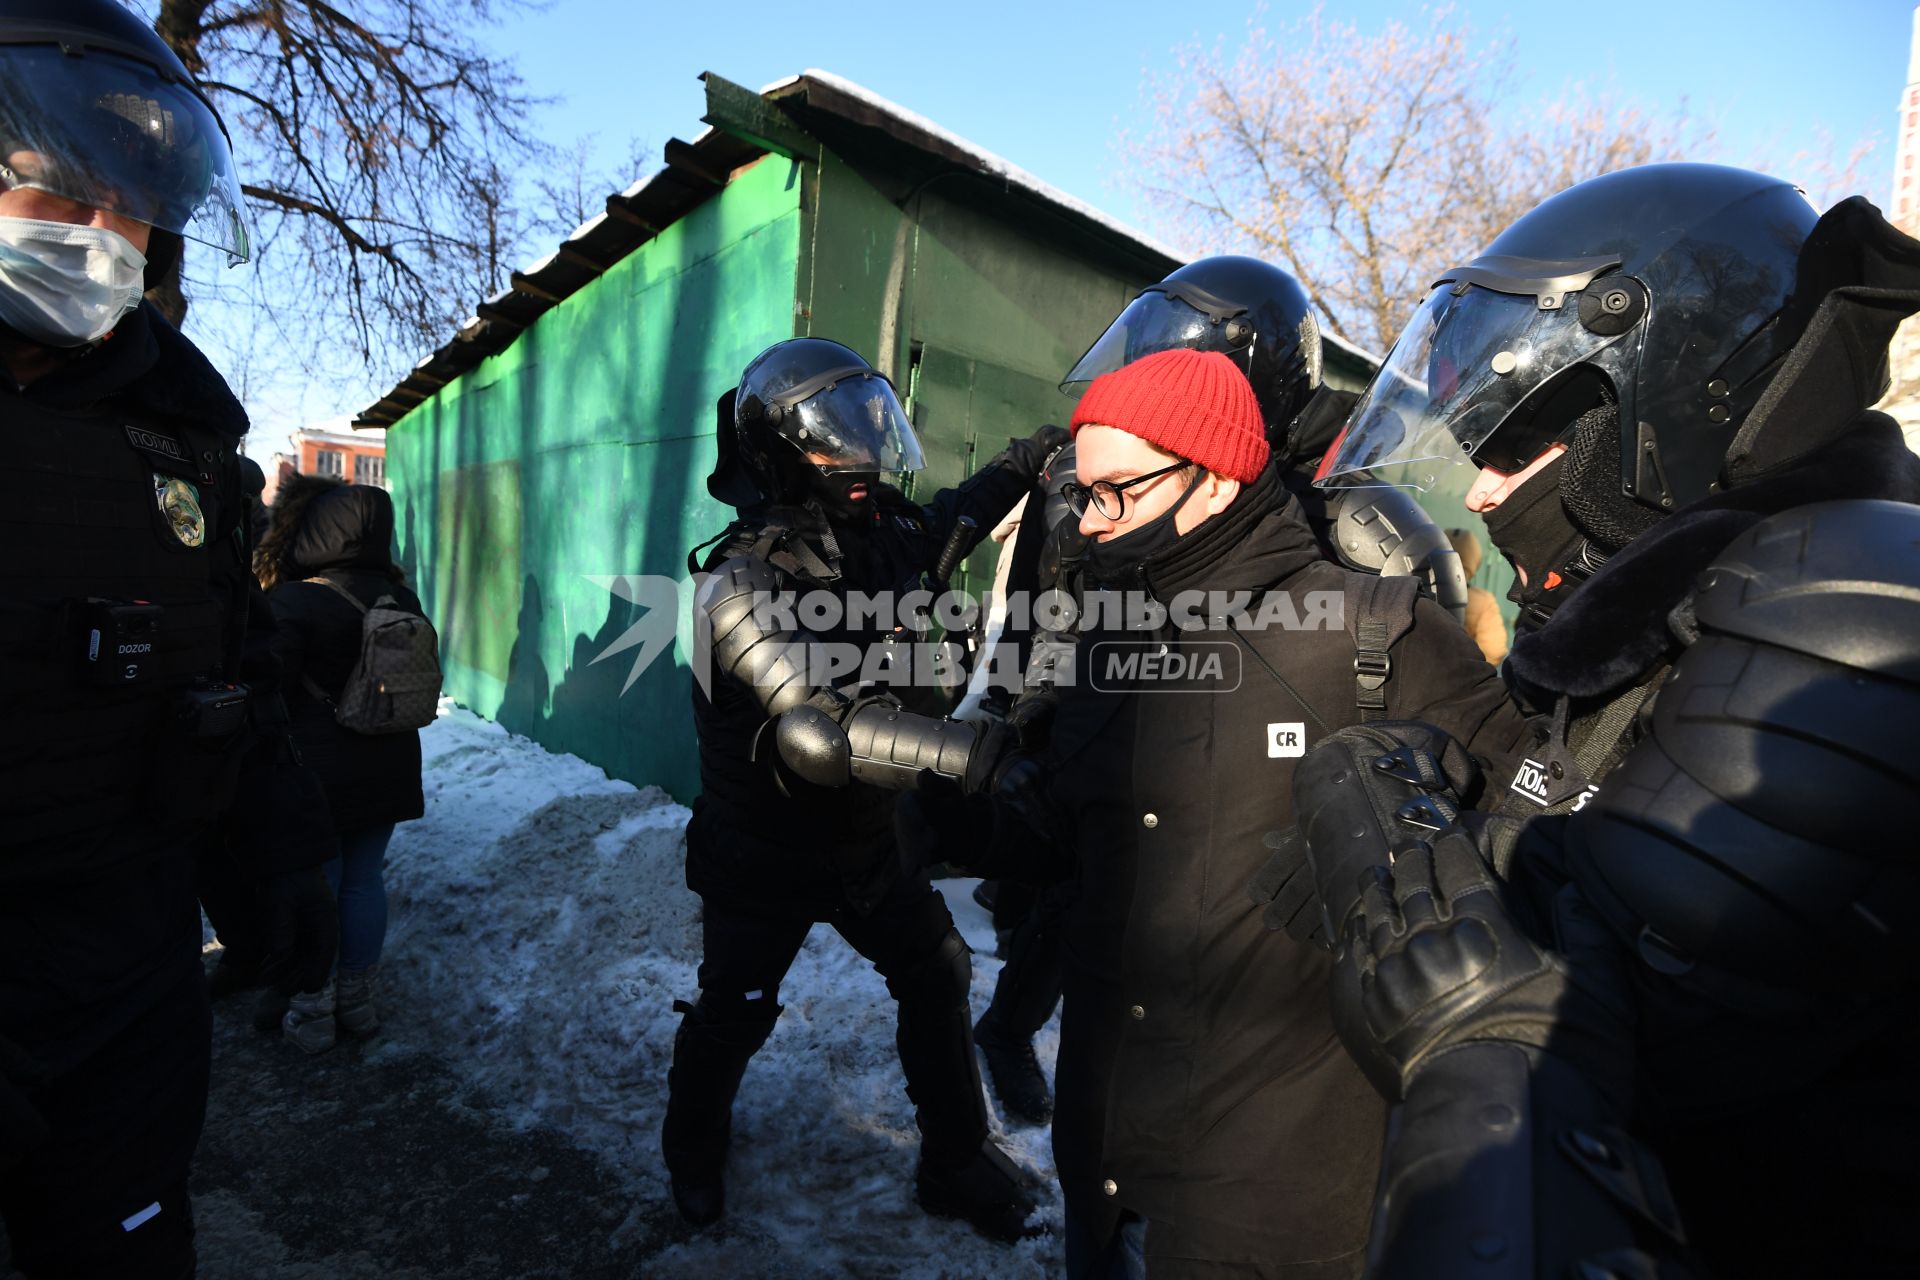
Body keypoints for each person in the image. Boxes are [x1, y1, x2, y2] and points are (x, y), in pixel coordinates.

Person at [1295, 163, 1920, 1277]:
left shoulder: (1846, 607)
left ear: (1669, 401)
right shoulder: (1659, 622)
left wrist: (1455, 916)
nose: (1480, 496)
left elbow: (1641, 1024)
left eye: (1509, 453)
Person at [918, 347, 1528, 1278]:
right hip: (1108, 1141)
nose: (1093, 524)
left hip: (1282, 1177)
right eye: (1085, 496)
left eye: (1120, 491)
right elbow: (1062, 844)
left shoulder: (1377, 632)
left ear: (1215, 475)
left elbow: (1542, 843)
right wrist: (955, 789)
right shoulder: (1104, 635)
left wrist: (1407, 843)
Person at [0, 3, 335, 1274]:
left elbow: (231, 675)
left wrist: (278, 860)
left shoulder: (181, 442)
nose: (106, 234)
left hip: (124, 986)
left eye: (133, 202)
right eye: (64, 188)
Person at [667, 336, 1066, 1241]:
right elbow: (820, 732)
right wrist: (980, 756)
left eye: (862, 429)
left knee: (936, 973)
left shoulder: (879, 532)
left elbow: (956, 517)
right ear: (777, 452)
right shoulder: (738, 583)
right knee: (736, 1009)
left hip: (866, 841)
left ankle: (954, 1160)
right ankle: (691, 1148)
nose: (856, 454)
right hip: (762, 849)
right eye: (828, 438)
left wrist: (1027, 459)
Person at [255, 474, 433, 1054]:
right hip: (387, 765)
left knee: (319, 888)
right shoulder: (399, 597)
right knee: (363, 883)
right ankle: (357, 1002)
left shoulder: (293, 599)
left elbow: (266, 687)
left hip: (315, 774)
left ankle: (311, 1008)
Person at [1443, 527, 1506, 665]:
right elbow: (1495, 651)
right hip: (1458, 677)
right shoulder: (1483, 601)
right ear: (1474, 561)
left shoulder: (1416, 587)